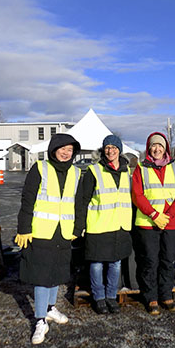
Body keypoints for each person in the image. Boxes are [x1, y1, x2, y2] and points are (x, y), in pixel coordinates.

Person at [15, 133, 82, 345]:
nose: (65, 153)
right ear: (53, 149)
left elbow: (79, 203)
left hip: (64, 231)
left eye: (70, 150)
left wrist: (78, 227)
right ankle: (40, 320)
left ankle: (51, 308)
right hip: (42, 231)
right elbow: (28, 199)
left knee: (57, 272)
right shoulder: (40, 168)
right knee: (42, 276)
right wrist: (24, 228)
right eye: (62, 148)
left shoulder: (76, 172)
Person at [74, 135, 133, 315]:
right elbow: (83, 200)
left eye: (114, 147)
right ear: (103, 150)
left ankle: (111, 296)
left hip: (119, 225)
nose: (110, 151)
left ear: (119, 150)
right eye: (107, 147)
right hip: (98, 225)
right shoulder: (94, 171)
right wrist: (80, 225)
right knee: (97, 264)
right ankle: (99, 298)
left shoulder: (127, 171)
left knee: (115, 264)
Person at [131, 132, 175, 315]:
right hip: (148, 223)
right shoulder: (141, 168)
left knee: (167, 261)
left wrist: (168, 215)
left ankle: (166, 295)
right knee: (150, 261)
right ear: (149, 148)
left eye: (160, 146)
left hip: (170, 222)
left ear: (166, 149)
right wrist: (154, 214)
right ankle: (151, 297)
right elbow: (137, 195)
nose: (157, 149)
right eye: (154, 146)